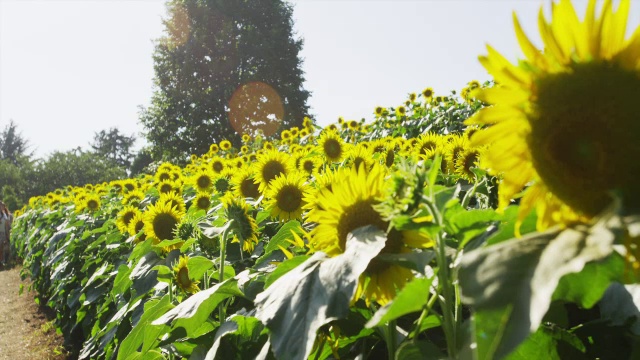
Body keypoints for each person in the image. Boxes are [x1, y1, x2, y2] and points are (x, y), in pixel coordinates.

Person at [0, 201, 11, 266]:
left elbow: (7, 222)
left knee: (1, 246)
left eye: (1, 206)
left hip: (2, 232)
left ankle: (1, 260)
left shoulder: (3, 214)